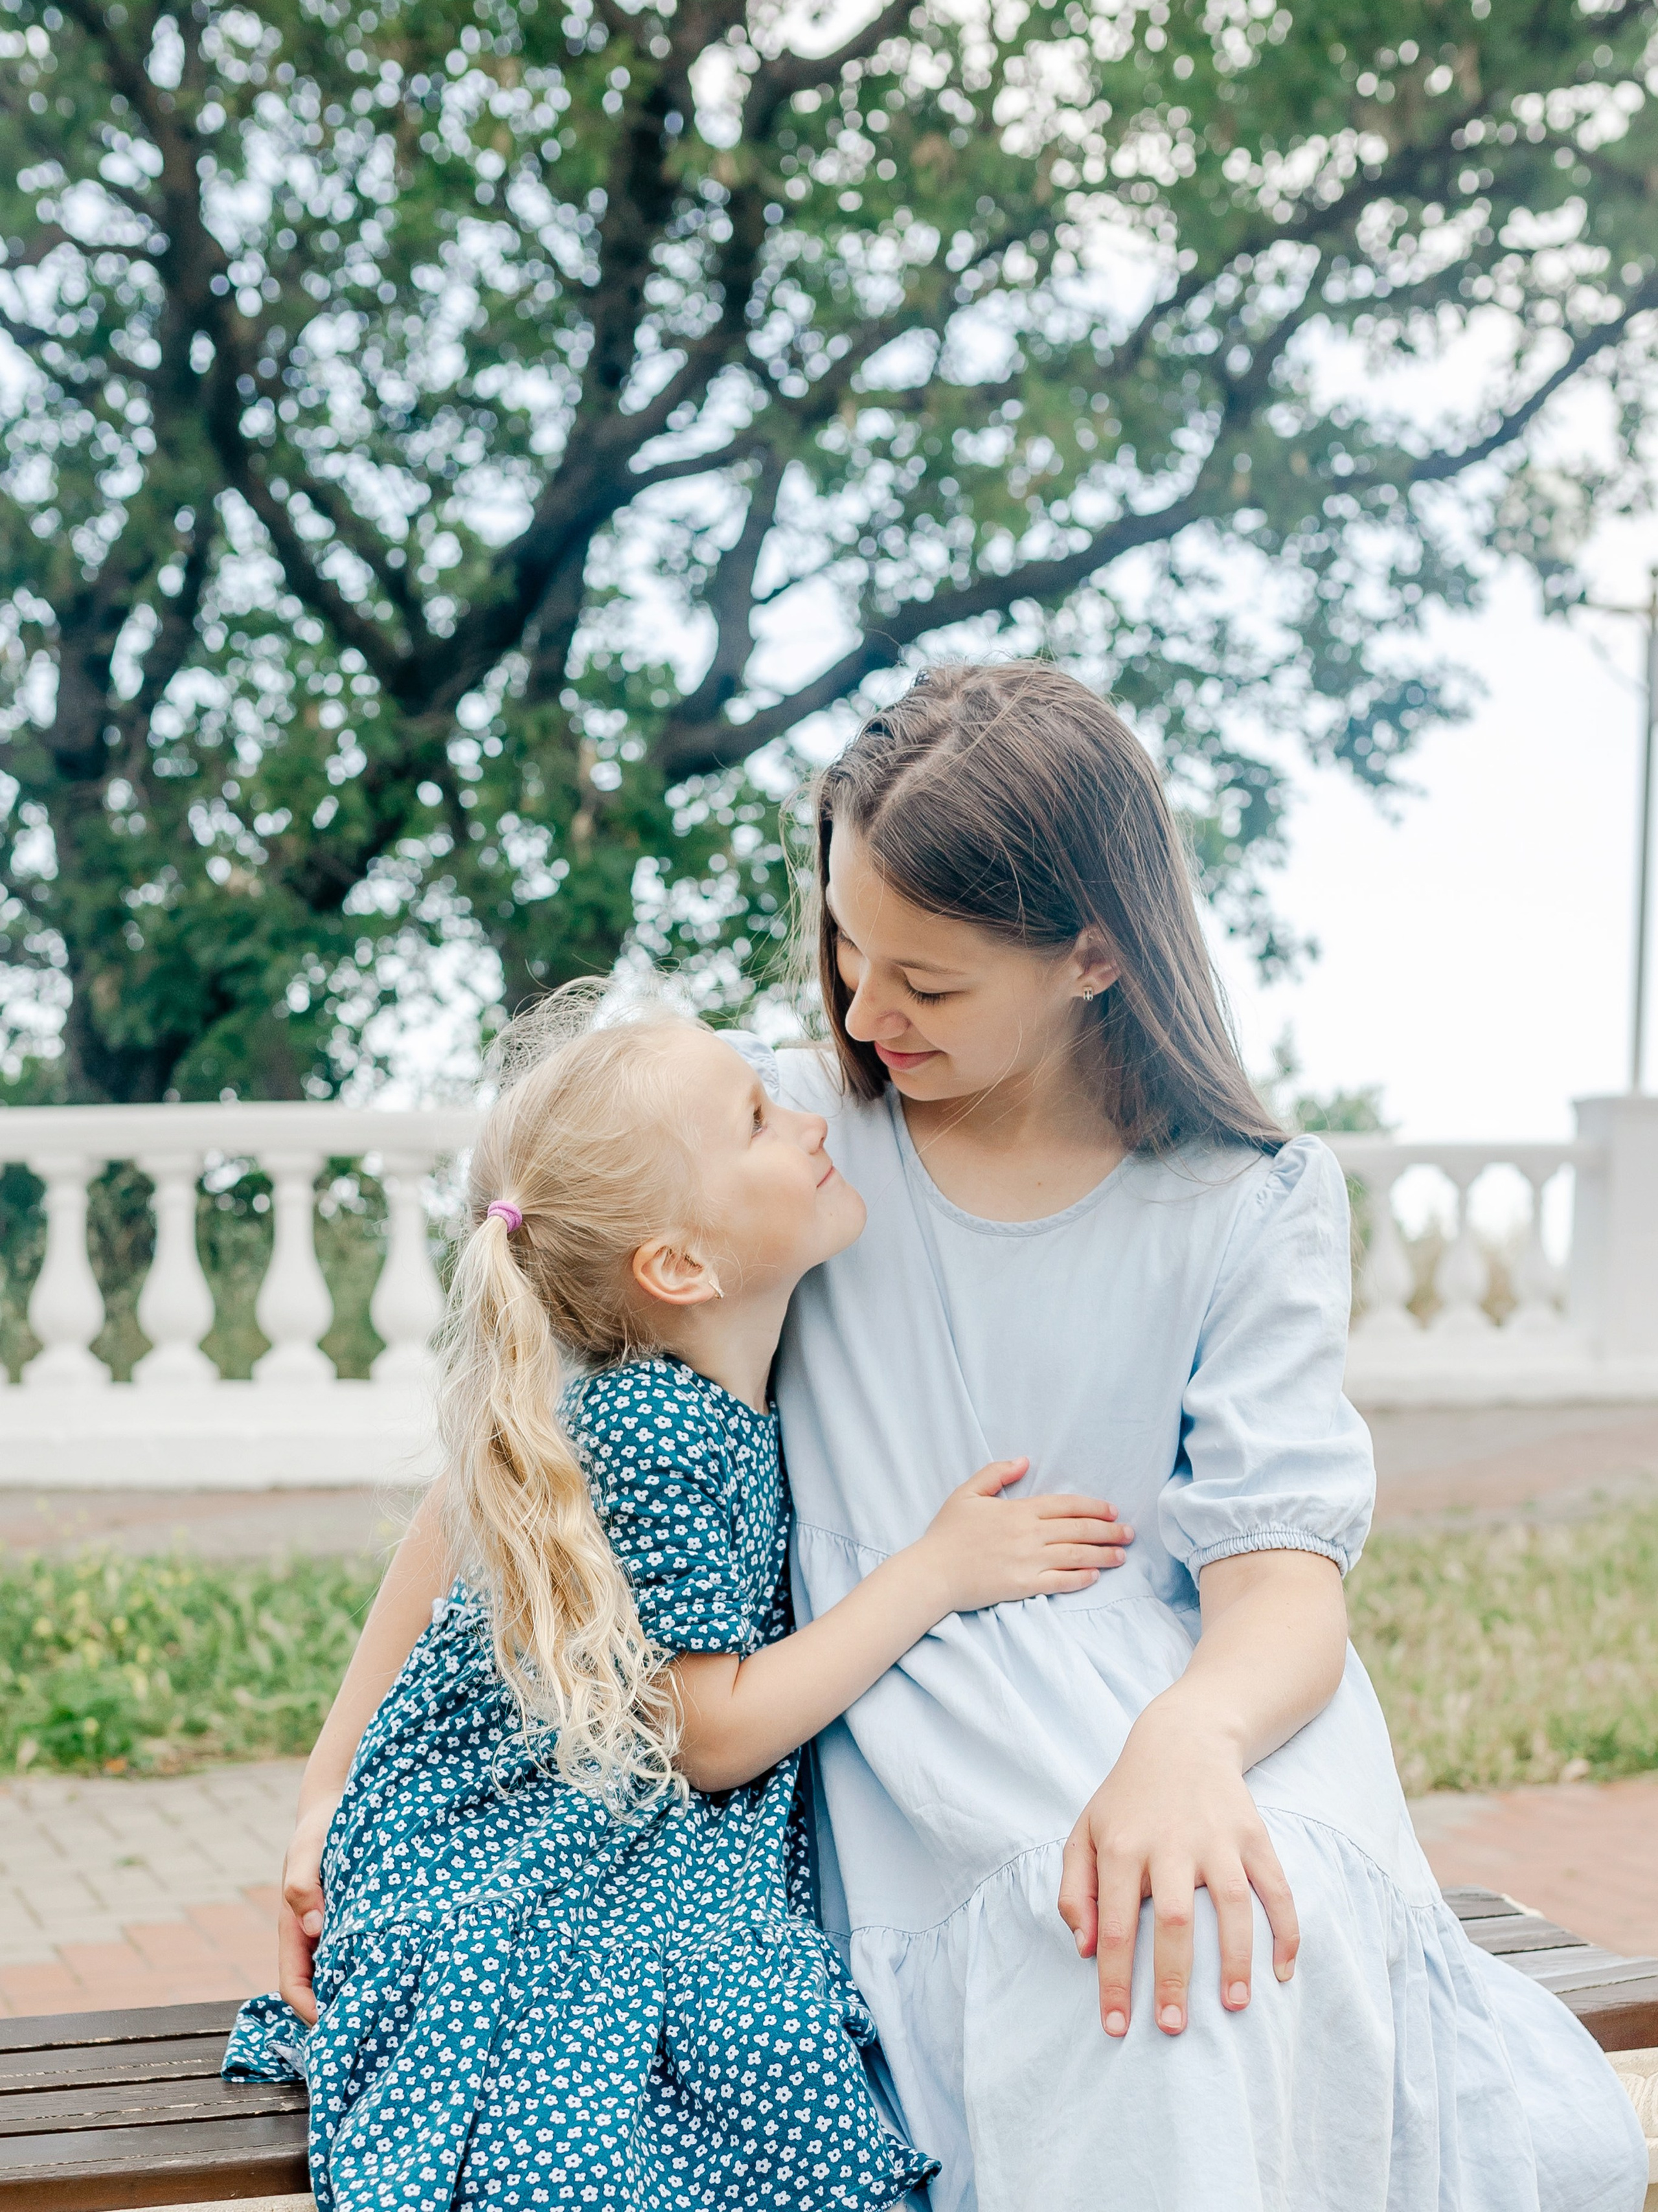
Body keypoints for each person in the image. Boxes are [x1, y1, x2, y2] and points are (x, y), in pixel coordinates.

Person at [740, 659, 1646, 2212]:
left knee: (1242, 1925)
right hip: (933, 1728)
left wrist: (1190, 1740)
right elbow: (525, 1450)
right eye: (841, 943)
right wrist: (327, 1790)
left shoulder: (1244, 1196)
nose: (863, 1009)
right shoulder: (789, 1148)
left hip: (1220, 1703)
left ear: (1093, 950)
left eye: (929, 983)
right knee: (1128, 1978)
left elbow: (1282, 1580)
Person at [225, 982, 1131, 2211]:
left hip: (567, 1806)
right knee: (710, 2042)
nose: (810, 1125)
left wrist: (330, 1783)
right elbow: (706, 1735)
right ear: (679, 1264)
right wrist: (937, 1572)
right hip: (526, 1833)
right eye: (762, 1119)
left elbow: (448, 1524)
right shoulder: (664, 1426)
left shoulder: (662, 1392)